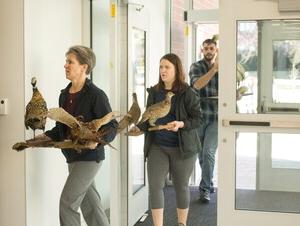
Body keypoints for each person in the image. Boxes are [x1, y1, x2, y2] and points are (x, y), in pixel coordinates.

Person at [34, 45, 118, 226]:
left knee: (67, 204)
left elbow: (112, 125)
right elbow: (60, 129)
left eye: (70, 62)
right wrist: (42, 138)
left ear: (84, 67)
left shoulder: (96, 95)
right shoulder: (64, 95)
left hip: (90, 157)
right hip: (72, 156)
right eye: (66, 61)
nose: (65, 65)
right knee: (91, 206)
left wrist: (97, 143)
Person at [132, 53, 202, 226]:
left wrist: (181, 123)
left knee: (181, 187)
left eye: (167, 67)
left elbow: (198, 119)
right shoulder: (154, 92)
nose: (163, 70)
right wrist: (139, 128)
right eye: (161, 67)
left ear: (176, 69)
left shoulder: (187, 92)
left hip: (182, 148)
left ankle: (181, 223)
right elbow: (149, 116)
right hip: (158, 146)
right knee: (155, 187)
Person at [189, 38, 218, 202]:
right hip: (199, 117)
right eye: (206, 48)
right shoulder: (196, 66)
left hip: (216, 117)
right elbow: (197, 85)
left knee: (208, 153)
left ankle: (204, 189)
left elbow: (229, 90)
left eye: (211, 48)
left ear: (216, 50)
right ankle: (209, 182)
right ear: (202, 50)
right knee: (201, 156)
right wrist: (214, 70)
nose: (208, 51)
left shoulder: (224, 67)